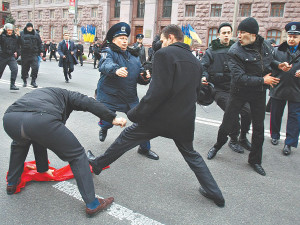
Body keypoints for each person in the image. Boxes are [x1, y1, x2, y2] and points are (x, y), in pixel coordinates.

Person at [87, 24, 225, 207]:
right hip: (184, 120)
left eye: (162, 39)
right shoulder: (195, 61)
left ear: (169, 38)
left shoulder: (164, 54)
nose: (160, 42)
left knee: (127, 137)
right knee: (191, 154)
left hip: (159, 118)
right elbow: (197, 93)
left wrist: (136, 114)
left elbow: (157, 92)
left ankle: (97, 165)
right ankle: (215, 193)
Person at [3, 87, 127, 217]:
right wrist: (112, 118)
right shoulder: (68, 95)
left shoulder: (39, 93)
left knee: (19, 144)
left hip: (10, 119)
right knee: (78, 156)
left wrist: (43, 169)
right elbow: (88, 102)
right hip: (41, 120)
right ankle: (93, 204)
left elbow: (38, 138)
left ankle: (12, 183)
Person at [206, 17, 291, 176]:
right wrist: (263, 80)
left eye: (242, 32)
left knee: (259, 128)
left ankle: (255, 161)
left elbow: (268, 60)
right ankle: (217, 146)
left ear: (253, 35)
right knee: (227, 123)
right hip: (238, 92)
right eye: (238, 32)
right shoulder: (235, 51)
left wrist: (279, 65)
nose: (238, 36)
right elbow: (239, 78)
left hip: (258, 92)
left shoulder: (264, 45)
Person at [95, 22, 159, 160]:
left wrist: (144, 76)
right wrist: (116, 69)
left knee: (142, 123)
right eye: (121, 38)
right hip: (109, 96)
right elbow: (105, 64)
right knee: (108, 121)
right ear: (113, 40)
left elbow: (139, 74)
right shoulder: (108, 51)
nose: (124, 41)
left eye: (125, 38)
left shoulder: (134, 56)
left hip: (129, 97)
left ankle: (144, 149)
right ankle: (104, 127)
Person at [201, 23, 252, 156]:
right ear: (219, 35)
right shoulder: (211, 51)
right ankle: (233, 139)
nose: (226, 35)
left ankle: (242, 137)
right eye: (223, 33)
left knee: (248, 112)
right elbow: (203, 67)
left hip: (237, 88)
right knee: (232, 112)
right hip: (219, 89)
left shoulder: (238, 49)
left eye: (228, 32)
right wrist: (204, 77)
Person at [269, 22, 300, 155]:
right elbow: (269, 63)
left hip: (297, 89)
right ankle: (275, 135)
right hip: (279, 86)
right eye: (290, 36)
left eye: (295, 37)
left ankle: (289, 143)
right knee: (275, 113)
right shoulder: (277, 50)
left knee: (294, 117)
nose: (291, 39)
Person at [19, 22, 43, 88]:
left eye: (31, 27)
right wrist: (18, 52)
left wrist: (41, 51)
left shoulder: (36, 34)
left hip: (34, 54)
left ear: (32, 27)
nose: (29, 28)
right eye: (28, 27)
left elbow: (40, 43)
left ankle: (33, 81)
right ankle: (24, 81)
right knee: (25, 69)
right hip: (25, 54)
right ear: (26, 27)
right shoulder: (21, 34)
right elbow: (18, 43)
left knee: (35, 68)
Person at [0, 23, 20, 90]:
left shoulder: (15, 37)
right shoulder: (2, 36)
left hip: (11, 56)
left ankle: (12, 85)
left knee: (15, 69)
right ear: (5, 30)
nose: (10, 32)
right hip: (2, 56)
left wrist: (19, 36)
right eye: (8, 30)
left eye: (11, 30)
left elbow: (20, 44)